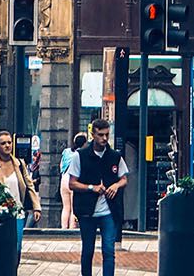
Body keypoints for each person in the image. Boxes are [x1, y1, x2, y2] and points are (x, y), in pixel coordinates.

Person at [72, 117, 128, 276]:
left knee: (109, 251)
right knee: (88, 250)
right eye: (101, 135)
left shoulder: (114, 156)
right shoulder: (80, 156)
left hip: (108, 211)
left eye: (107, 135)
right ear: (92, 134)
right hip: (87, 211)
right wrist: (92, 188)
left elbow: (124, 178)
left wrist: (116, 185)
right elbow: (72, 183)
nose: (104, 138)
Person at [0, 132, 39, 236]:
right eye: (3, 143)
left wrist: (36, 207)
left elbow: (30, 186)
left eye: (9, 142)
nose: (7, 145)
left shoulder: (19, 164)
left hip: (17, 212)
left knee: (17, 246)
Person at [60, 133, 88, 229]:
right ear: (84, 143)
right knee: (73, 208)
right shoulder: (81, 154)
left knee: (65, 207)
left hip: (63, 180)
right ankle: (72, 228)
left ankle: (63, 229)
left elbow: (61, 166)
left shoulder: (66, 152)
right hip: (73, 180)